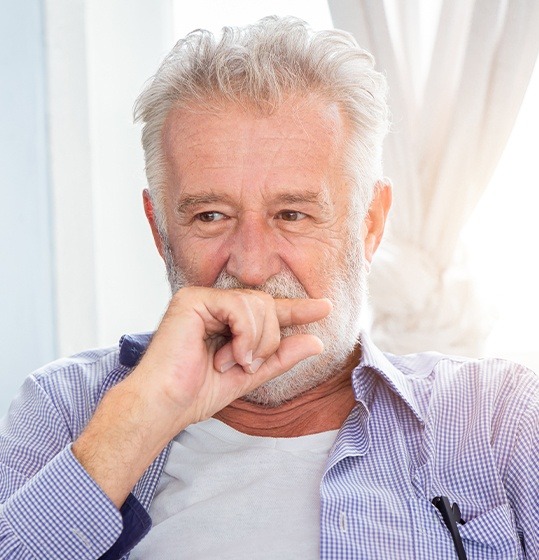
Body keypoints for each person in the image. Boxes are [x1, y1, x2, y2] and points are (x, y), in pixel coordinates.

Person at [0, 15, 537, 560]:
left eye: (293, 214)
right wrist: (142, 416)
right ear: (159, 229)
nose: (252, 268)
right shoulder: (65, 409)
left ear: (370, 224)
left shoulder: (498, 419)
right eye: (210, 215)